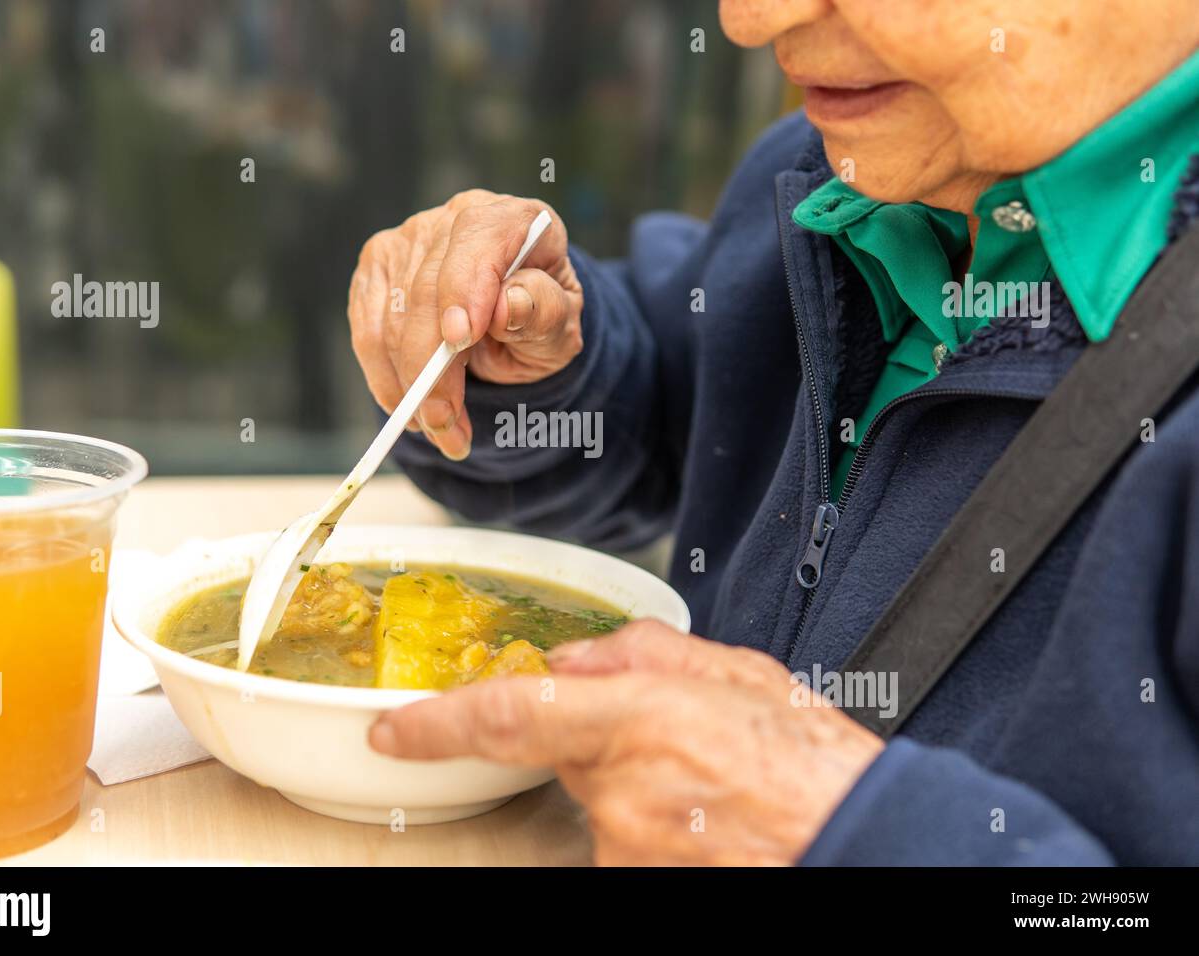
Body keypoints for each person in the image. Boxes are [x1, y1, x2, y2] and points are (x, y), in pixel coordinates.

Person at [346, 0, 1199, 865]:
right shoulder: (836, 166)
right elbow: (677, 422)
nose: (752, 20)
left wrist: (854, 836)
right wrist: (527, 362)